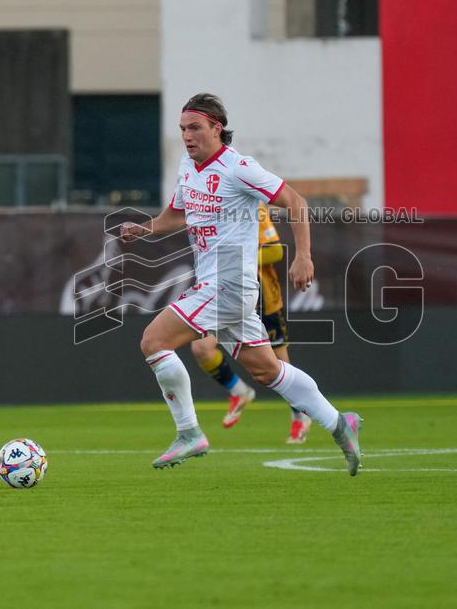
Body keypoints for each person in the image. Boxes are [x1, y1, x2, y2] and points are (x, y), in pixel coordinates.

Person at [120, 92, 362, 474]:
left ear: (217, 128)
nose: (187, 136)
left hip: (228, 282)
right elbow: (175, 216)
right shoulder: (188, 166)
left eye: (195, 127)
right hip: (221, 285)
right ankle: (338, 421)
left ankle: (189, 433)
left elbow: (296, 202)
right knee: (266, 370)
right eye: (183, 129)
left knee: (153, 340)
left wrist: (303, 256)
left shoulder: (240, 168)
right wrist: (143, 229)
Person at [189, 202, 312, 443]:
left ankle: (301, 415)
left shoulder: (253, 206)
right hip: (224, 295)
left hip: (262, 297)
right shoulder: (209, 205)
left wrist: (236, 257)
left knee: (279, 364)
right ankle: (239, 391)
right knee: (201, 347)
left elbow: (275, 250)